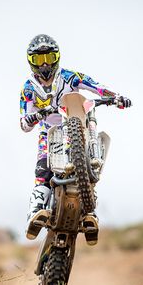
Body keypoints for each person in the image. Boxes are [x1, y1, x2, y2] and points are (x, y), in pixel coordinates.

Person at [20, 34, 131, 242]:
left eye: (49, 57)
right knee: (42, 170)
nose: (44, 64)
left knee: (93, 162)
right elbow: (23, 124)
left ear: (57, 57)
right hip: (50, 133)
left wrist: (116, 97)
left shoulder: (70, 77)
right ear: (31, 62)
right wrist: (33, 117)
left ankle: (90, 212)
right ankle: (34, 211)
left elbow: (96, 87)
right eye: (38, 59)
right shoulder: (28, 89)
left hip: (77, 126)